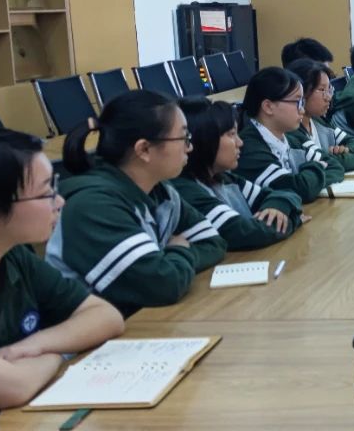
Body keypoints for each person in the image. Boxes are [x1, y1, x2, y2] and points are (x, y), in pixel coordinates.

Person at [0, 130, 124, 424]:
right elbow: (10, 388)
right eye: (46, 193)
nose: (60, 202)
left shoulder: (14, 257)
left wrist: (36, 344)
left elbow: (106, 317)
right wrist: (58, 353)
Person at [47, 90, 226, 317]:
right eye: (183, 138)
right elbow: (163, 285)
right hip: (88, 336)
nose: (189, 147)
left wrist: (169, 262)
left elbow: (213, 243)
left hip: (141, 320)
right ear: (144, 149)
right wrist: (178, 250)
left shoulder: (161, 191)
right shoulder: (93, 207)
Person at [170, 99, 305, 251]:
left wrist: (277, 206)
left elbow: (286, 194)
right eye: (231, 134)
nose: (240, 142)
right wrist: (294, 219)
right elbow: (247, 233)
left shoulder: (224, 178)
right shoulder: (185, 189)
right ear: (206, 140)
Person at [236, 67, 341, 203]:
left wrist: (310, 178)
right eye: (297, 102)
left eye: (302, 102)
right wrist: (316, 167)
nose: (302, 110)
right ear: (268, 106)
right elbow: (300, 189)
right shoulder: (249, 148)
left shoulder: (289, 138)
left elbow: (335, 166)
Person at [288, 58, 354, 172]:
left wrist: (346, 150)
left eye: (329, 89)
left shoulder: (319, 120)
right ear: (301, 92)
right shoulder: (292, 130)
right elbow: (330, 163)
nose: (328, 97)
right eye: (322, 90)